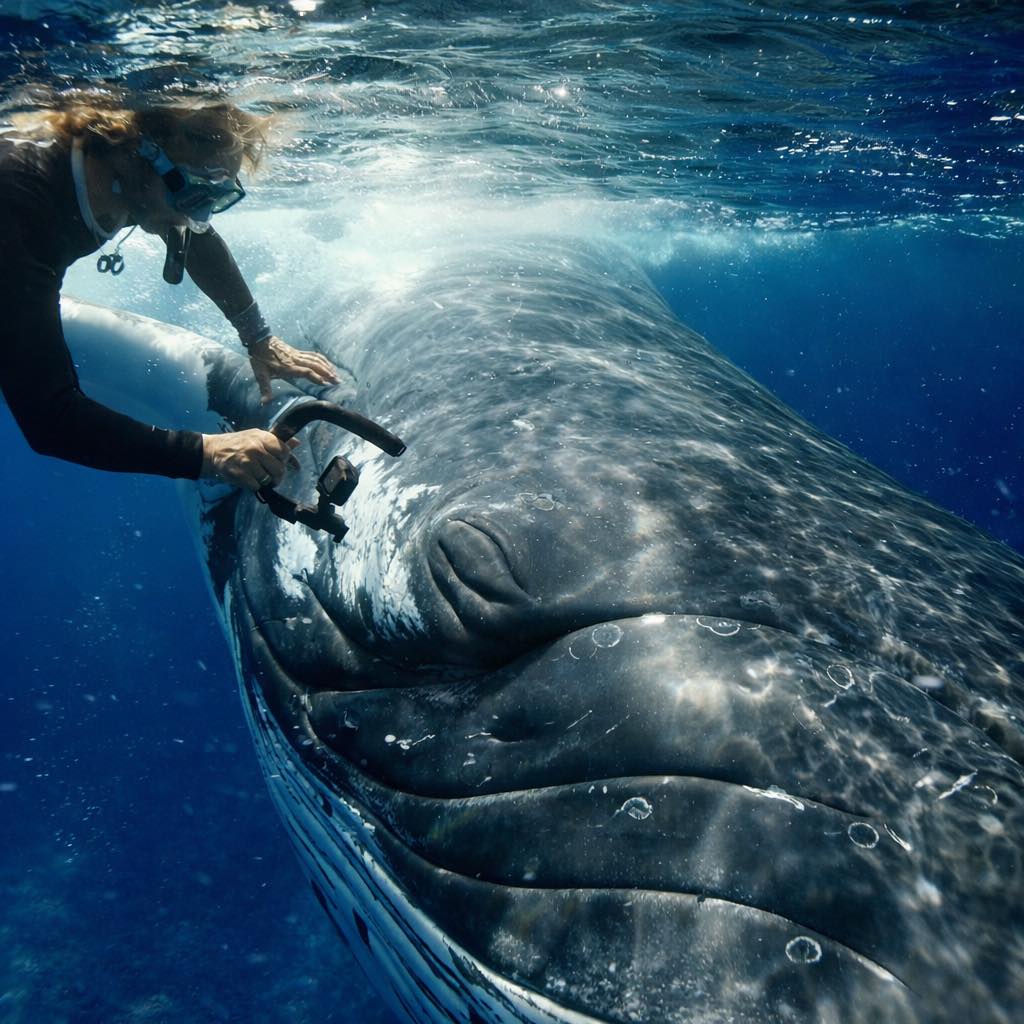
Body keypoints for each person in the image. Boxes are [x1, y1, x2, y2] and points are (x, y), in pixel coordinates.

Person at [0, 92, 339, 492]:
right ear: (136, 150)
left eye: (218, 199)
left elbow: (195, 237)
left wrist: (258, 337)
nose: (200, 215)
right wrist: (207, 453)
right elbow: (50, 420)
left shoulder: (122, 175)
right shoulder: (20, 207)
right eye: (196, 195)